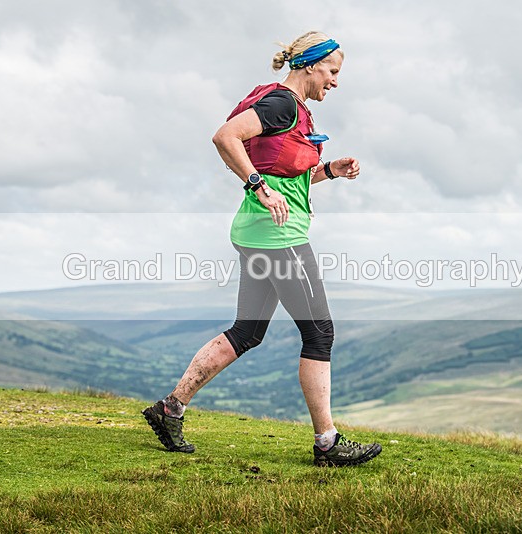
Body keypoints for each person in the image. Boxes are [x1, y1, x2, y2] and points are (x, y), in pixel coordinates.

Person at [143, 31, 382, 467]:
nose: (335, 81)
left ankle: (170, 409)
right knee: (319, 333)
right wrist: (257, 186)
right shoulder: (282, 104)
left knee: (247, 332)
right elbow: (225, 137)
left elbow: (285, 174)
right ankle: (327, 443)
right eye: (332, 71)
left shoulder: (293, 110)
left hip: (257, 233)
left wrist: (330, 169)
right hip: (278, 238)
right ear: (310, 65)